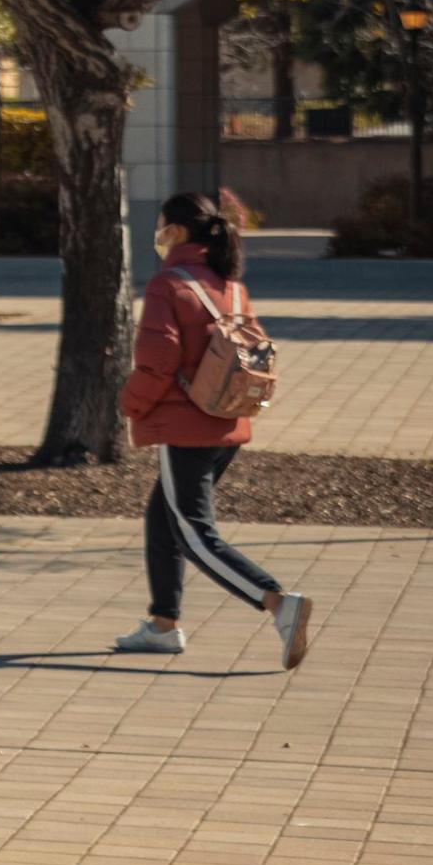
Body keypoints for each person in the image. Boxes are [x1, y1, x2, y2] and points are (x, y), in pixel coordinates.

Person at [113, 188, 315, 668]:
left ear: (177, 232)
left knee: (194, 534)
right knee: (163, 520)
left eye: (161, 226)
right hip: (227, 421)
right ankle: (163, 626)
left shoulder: (169, 284)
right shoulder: (233, 286)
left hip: (186, 428)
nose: (157, 236)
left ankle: (279, 604)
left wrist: (129, 404)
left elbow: (159, 360)